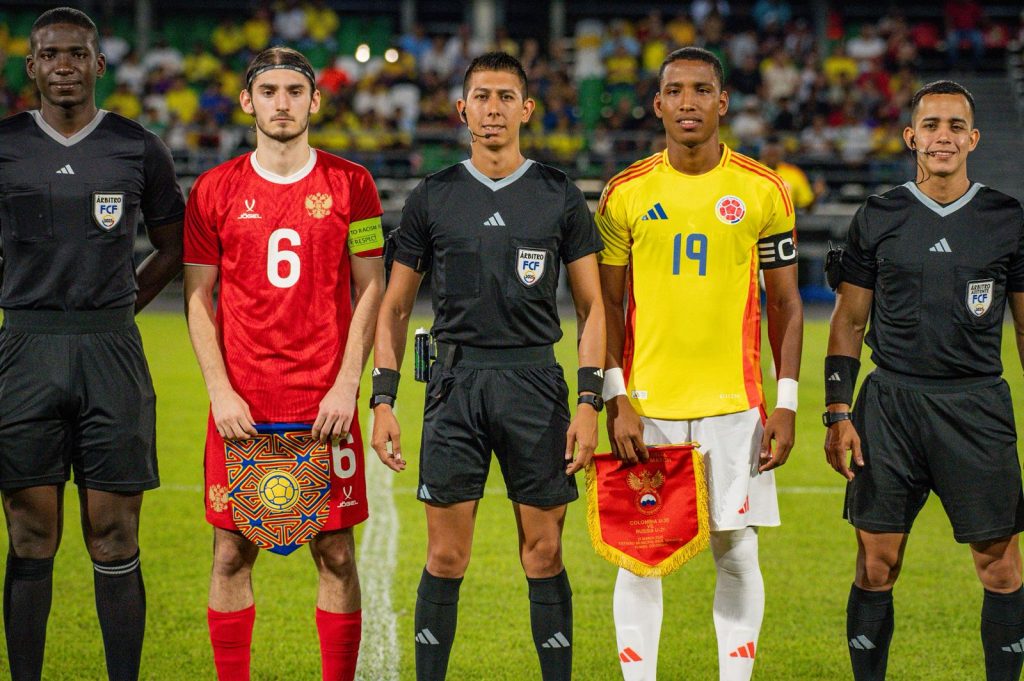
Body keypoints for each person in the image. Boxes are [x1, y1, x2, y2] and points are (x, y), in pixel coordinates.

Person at [371, 52, 605, 681]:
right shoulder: (434, 195)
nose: (493, 108)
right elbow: (393, 307)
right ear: (462, 109)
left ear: (527, 109)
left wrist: (590, 403)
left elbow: (592, 307)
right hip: (455, 385)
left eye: (506, 96)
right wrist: (384, 400)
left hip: (536, 384)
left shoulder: (558, 194)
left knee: (545, 551)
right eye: (481, 96)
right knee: (446, 555)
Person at [597, 47, 803, 681]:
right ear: (658, 104)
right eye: (675, 90)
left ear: (723, 102)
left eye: (701, 89)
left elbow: (788, 307)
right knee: (639, 558)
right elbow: (603, 305)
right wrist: (615, 395)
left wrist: (788, 402)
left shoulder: (764, 190)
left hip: (733, 409)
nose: (688, 101)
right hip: (648, 407)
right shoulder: (624, 193)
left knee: (736, 552)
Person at [183, 47, 385, 681]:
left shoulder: (353, 184)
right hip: (243, 405)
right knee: (230, 553)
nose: (281, 102)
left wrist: (347, 383)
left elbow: (371, 285)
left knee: (337, 556)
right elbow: (197, 297)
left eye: (294, 91)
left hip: (325, 405)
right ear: (248, 101)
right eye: (268, 90)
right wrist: (220, 392)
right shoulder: (215, 189)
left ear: (314, 101)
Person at [0, 8, 184, 681]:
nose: (65, 66)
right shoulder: (7, 143)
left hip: (111, 350)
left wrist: (123, 302)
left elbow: (174, 244)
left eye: (78, 54)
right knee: (30, 534)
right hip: (24, 347)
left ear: (100, 64)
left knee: (114, 532)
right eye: (51, 55)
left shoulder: (137, 146)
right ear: (32, 67)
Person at [824, 80, 1024, 681]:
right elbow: (849, 321)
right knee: (876, 563)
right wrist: (838, 414)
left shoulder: (1006, 218)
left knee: (1002, 568)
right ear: (912, 137)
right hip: (891, 406)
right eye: (931, 126)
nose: (943, 137)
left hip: (978, 403)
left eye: (955, 126)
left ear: (974, 139)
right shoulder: (879, 215)